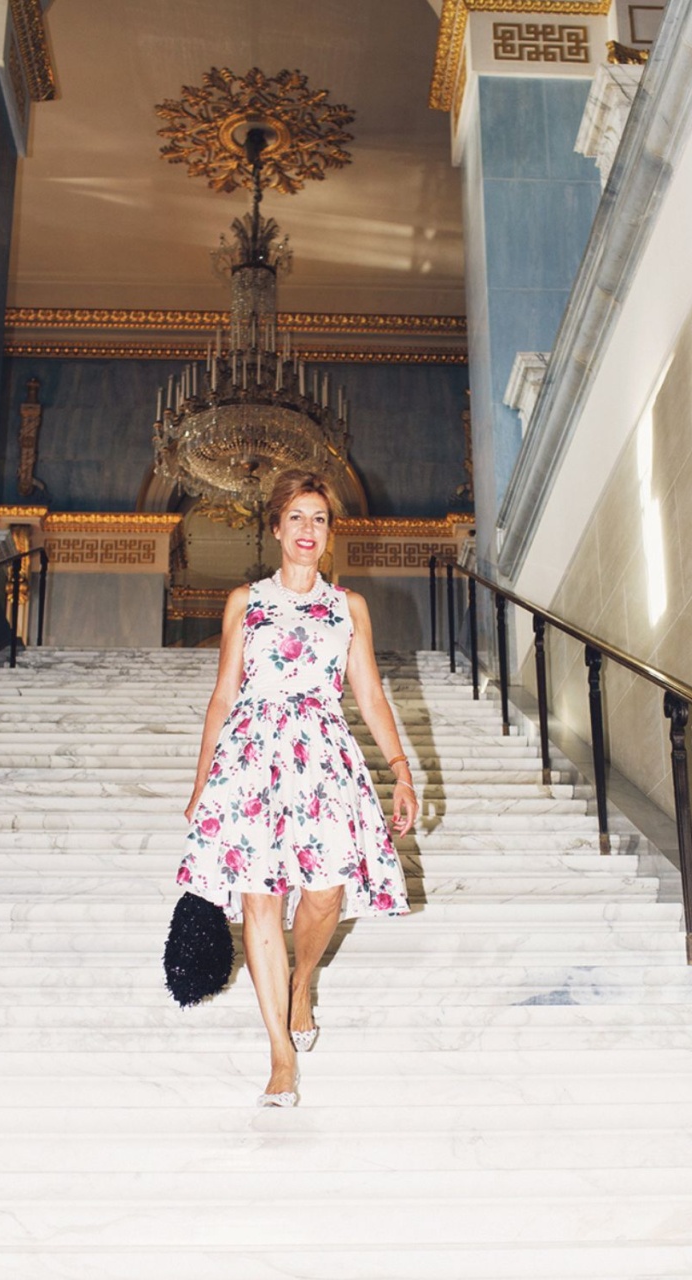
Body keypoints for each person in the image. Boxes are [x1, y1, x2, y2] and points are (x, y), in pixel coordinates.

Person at [177, 469, 419, 1107]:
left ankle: (303, 979)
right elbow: (224, 693)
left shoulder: (348, 607)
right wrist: (203, 784)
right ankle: (280, 1056)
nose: (308, 530)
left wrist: (399, 767)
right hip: (253, 757)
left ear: (329, 532)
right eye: (297, 518)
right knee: (260, 902)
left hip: (323, 755)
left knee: (324, 892)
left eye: (320, 519)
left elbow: (367, 691)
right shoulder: (245, 601)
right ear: (277, 528)